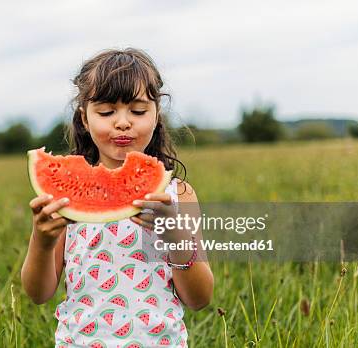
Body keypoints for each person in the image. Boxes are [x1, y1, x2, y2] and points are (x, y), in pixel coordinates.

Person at [21, 48, 214, 347]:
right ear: (84, 118)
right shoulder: (63, 199)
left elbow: (199, 298)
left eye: (137, 111)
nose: (122, 122)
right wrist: (42, 242)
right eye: (106, 111)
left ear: (156, 116)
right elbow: (38, 293)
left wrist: (175, 235)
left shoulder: (178, 195)